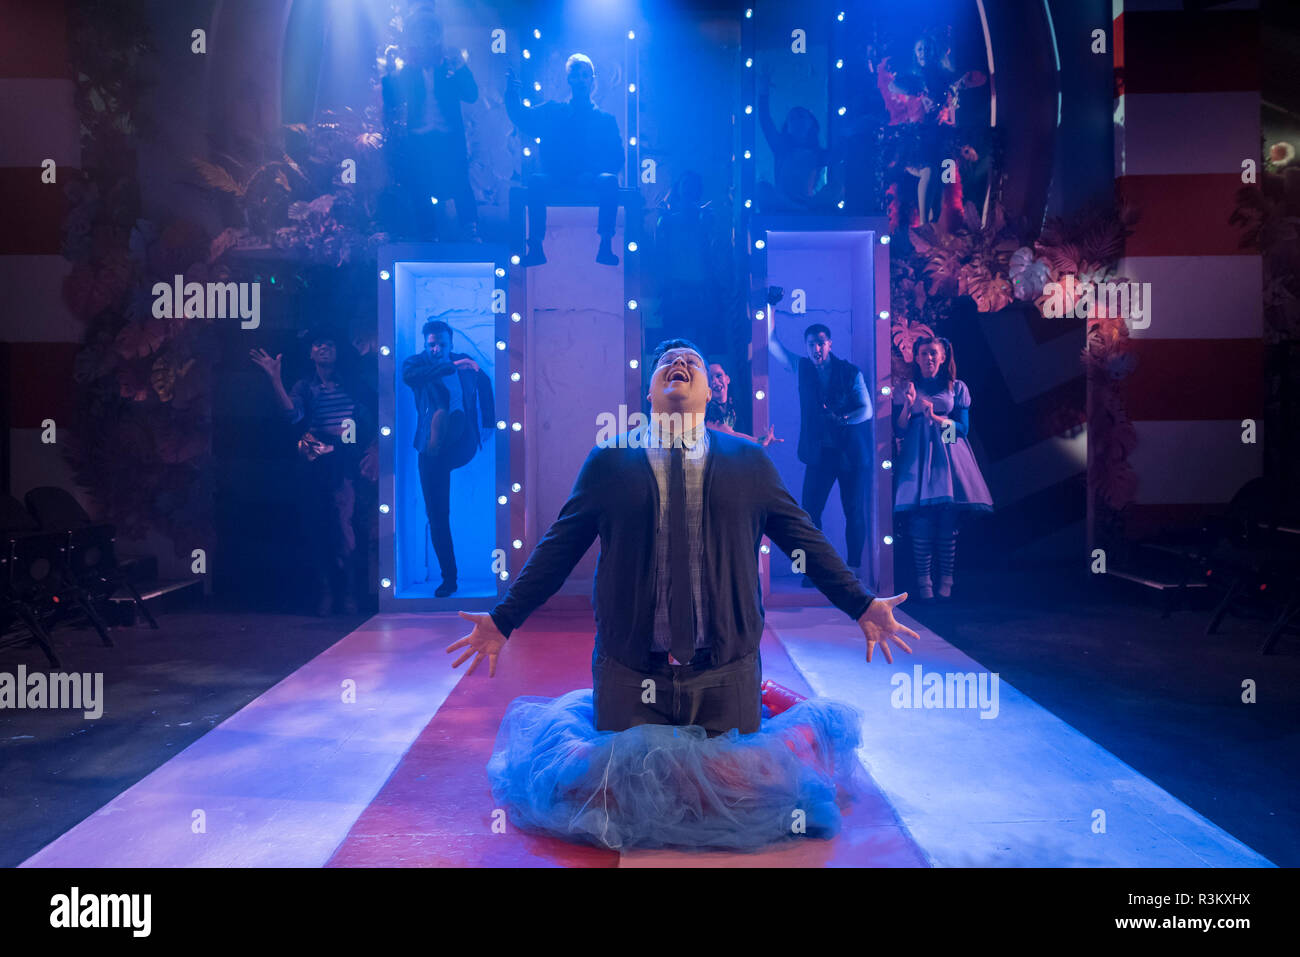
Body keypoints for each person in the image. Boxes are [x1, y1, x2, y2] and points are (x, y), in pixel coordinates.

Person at [449, 339, 917, 850]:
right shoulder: (610, 460)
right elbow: (559, 548)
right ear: (649, 390)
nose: (679, 364)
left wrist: (861, 603)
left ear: (710, 393)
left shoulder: (749, 462)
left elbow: (804, 539)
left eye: (692, 360)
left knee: (734, 792)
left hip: (725, 673)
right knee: (622, 798)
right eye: (666, 362)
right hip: (631, 670)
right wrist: (503, 619)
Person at [250, 334, 377, 615]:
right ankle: (328, 592)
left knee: (345, 524)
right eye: (318, 344)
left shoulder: (352, 384)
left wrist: (372, 449)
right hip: (315, 453)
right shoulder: (305, 386)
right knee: (318, 523)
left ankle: (351, 593)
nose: (323, 347)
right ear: (310, 353)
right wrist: (274, 378)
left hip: (344, 455)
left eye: (329, 343)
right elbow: (293, 417)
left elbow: (373, 417)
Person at [768, 317, 873, 582]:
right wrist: (769, 307)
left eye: (821, 344)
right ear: (806, 346)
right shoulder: (803, 367)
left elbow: (866, 409)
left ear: (830, 344)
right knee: (809, 513)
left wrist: (843, 419)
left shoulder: (850, 371)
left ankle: (854, 572)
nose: (816, 349)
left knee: (854, 511)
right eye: (811, 344)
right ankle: (814, 570)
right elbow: (773, 344)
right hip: (819, 454)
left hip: (851, 454)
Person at [893, 336, 993, 599]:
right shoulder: (907, 387)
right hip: (917, 452)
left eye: (933, 353)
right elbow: (899, 429)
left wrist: (935, 417)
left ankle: (946, 581)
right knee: (920, 520)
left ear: (943, 357)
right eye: (924, 353)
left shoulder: (956, 387)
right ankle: (923, 583)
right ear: (916, 357)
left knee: (947, 519)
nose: (929, 358)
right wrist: (907, 404)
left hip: (948, 450)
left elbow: (962, 429)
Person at [402, 319, 495, 597]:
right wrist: (452, 366)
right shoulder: (416, 365)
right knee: (438, 514)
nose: (436, 349)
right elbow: (411, 378)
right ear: (425, 345)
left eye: (442, 344)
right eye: (432, 344)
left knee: (453, 420)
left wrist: (488, 421)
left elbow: (484, 381)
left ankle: (451, 421)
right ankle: (449, 578)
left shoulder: (464, 362)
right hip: (431, 449)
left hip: (462, 444)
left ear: (451, 344)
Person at [505, 54, 623, 266]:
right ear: (569, 79)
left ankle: (606, 244)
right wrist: (512, 92)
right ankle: (536, 247)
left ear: (592, 80)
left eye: (585, 75)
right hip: (557, 177)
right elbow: (522, 117)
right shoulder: (553, 111)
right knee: (535, 181)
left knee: (609, 180)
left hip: (591, 178)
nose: (580, 80)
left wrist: (593, 172)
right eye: (576, 75)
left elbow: (617, 158)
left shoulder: (605, 120)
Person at [380, 7, 479, 240]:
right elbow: (393, 101)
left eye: (430, 31)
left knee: (460, 184)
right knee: (420, 186)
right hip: (420, 139)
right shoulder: (409, 71)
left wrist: (462, 67)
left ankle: (471, 228)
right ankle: (428, 233)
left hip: (449, 137)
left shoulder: (449, 65)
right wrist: (388, 71)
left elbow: (471, 95)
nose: (425, 36)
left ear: (437, 34)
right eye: (420, 31)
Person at [756, 67, 838, 213]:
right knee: (762, 188)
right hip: (783, 204)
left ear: (811, 124)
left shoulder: (818, 154)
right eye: (792, 118)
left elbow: (840, 156)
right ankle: (798, 208)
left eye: (801, 116)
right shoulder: (781, 148)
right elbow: (765, 121)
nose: (797, 121)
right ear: (787, 127)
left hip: (808, 204)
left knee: (835, 187)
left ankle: (803, 209)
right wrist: (763, 90)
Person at [704, 360, 780, 447]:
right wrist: (758, 441)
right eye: (710, 379)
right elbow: (728, 433)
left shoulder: (735, 405)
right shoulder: (707, 410)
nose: (715, 381)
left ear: (727, 379)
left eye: (718, 376)